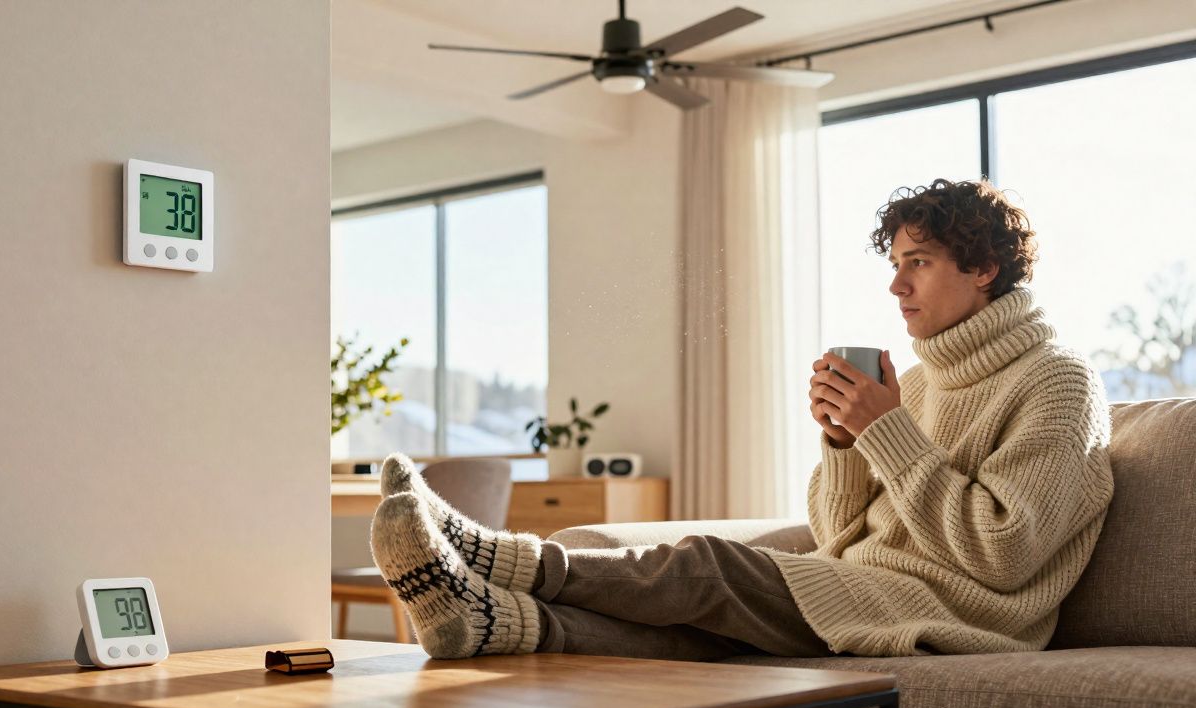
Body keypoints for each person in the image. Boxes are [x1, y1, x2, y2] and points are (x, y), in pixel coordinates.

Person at [368, 178, 1114, 660]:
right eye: (895, 262)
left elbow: (1004, 554)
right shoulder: (918, 384)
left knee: (706, 565)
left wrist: (886, 431)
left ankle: (502, 559)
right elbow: (835, 534)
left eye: (917, 261)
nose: (895, 284)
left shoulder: (1058, 382)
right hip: (863, 584)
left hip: (960, 619)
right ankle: (487, 624)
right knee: (680, 630)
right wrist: (845, 441)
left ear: (984, 269)